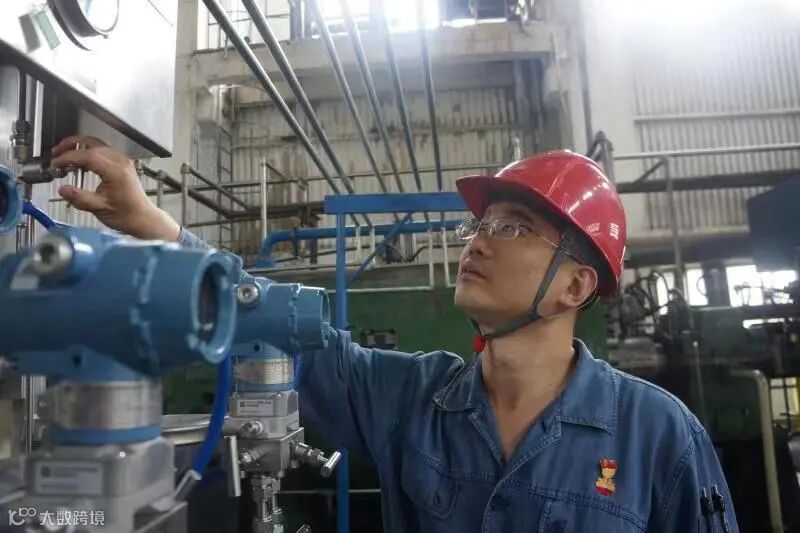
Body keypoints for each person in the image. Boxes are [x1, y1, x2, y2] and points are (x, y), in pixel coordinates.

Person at [51, 136, 738, 532]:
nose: (477, 241)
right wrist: (153, 222)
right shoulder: (413, 397)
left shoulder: (659, 435)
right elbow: (270, 322)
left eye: (513, 227)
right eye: (480, 224)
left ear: (576, 287)